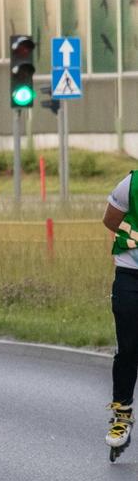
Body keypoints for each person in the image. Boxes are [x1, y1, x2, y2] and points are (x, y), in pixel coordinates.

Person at [103, 167, 138, 461]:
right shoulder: (131, 184)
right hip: (130, 273)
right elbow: (110, 220)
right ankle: (121, 416)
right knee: (128, 347)